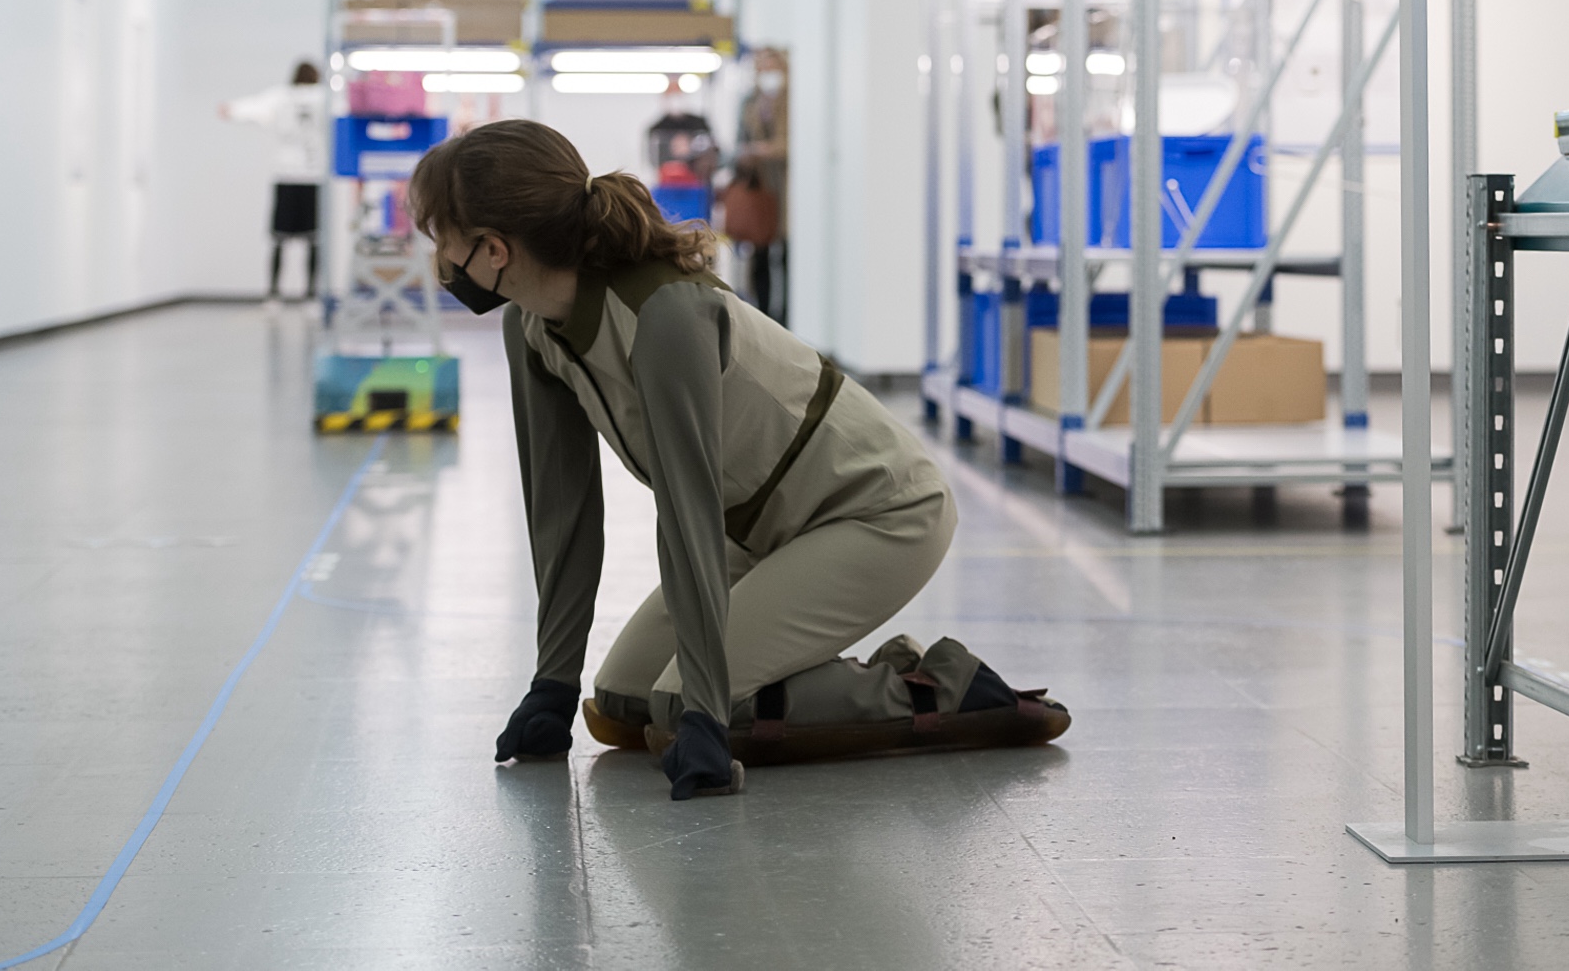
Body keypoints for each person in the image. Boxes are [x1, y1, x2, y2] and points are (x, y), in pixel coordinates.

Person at [406, 120, 1065, 801]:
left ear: (492, 249)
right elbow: (562, 510)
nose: (438, 260)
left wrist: (705, 716)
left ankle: (935, 685)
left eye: (441, 240)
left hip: (877, 513)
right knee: (620, 702)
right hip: (757, 529)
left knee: (685, 708)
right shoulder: (533, 326)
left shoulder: (663, 314)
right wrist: (552, 683)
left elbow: (686, 511)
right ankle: (772, 673)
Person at [220, 61, 327, 300]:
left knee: (279, 239)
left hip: (286, 175)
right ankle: (311, 295)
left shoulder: (281, 96)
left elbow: (253, 108)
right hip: (313, 176)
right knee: (314, 240)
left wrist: (230, 109)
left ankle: (273, 294)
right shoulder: (323, 97)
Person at [733, 50, 788, 321]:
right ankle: (763, 316)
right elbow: (740, 140)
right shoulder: (750, 103)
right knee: (760, 254)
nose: (769, 75)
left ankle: (787, 316)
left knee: (787, 255)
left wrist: (765, 150)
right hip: (761, 187)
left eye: (773, 67)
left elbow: (790, 143)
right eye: (763, 69)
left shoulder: (791, 102)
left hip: (785, 186)